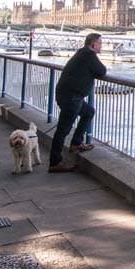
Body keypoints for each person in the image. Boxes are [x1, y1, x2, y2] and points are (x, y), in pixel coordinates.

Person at [49, 32, 106, 173]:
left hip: (69, 95)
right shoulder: (89, 55)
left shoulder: (82, 53)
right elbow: (102, 71)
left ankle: (76, 143)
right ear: (93, 44)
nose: (101, 46)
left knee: (89, 112)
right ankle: (55, 163)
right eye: (100, 43)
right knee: (62, 130)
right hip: (71, 97)